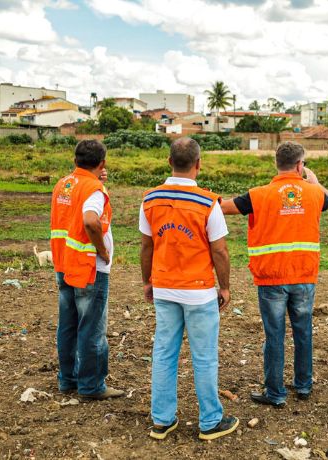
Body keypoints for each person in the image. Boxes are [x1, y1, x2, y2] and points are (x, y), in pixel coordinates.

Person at [220, 142, 328, 407]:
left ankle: (275, 393)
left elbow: (225, 207)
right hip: (304, 275)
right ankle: (303, 386)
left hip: (272, 277)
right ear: (299, 165)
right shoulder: (314, 193)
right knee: (303, 331)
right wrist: (314, 182)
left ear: (277, 164)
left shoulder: (258, 195)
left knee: (274, 335)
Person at [139, 137, 239, 441]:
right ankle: (210, 421)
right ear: (198, 164)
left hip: (165, 288)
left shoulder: (150, 199)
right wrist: (225, 287)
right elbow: (219, 252)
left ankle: (162, 420)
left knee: (164, 353)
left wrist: (148, 281)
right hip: (199, 291)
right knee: (204, 356)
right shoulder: (209, 203)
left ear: (169, 162)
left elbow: (146, 246)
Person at [49, 140, 124, 400]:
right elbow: (91, 220)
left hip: (64, 263)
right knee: (91, 328)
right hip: (89, 268)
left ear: (75, 160)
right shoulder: (94, 188)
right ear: (102, 163)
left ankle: (67, 379)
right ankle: (91, 385)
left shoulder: (64, 184)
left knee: (68, 324)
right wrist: (103, 251)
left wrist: (96, 179)